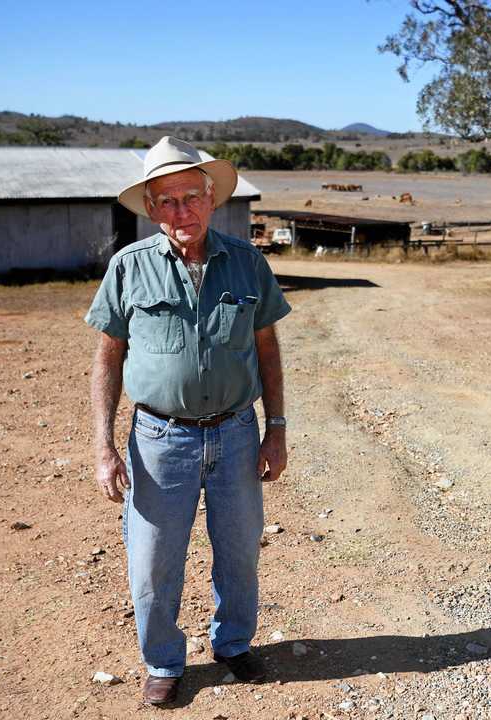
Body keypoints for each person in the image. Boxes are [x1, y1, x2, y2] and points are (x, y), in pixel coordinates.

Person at [85, 136, 290, 706]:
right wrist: (104, 447)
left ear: (211, 198)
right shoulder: (128, 268)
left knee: (240, 548)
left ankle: (233, 644)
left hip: (236, 431)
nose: (181, 211)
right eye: (167, 201)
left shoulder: (248, 263)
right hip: (158, 437)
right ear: (151, 209)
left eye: (190, 197)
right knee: (152, 559)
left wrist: (277, 427)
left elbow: (268, 351)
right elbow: (108, 358)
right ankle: (162, 661)